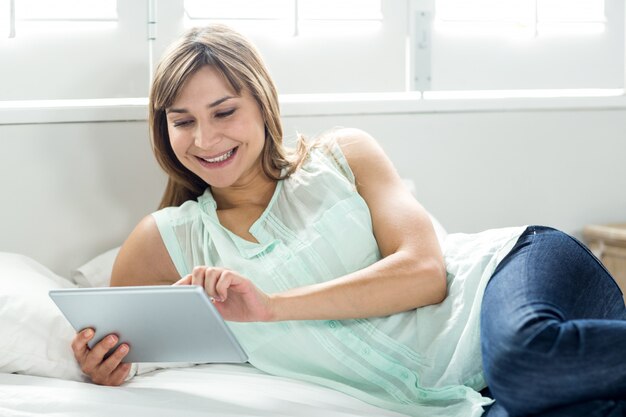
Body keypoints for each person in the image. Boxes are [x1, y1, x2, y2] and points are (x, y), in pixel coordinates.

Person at [71, 24, 626, 417]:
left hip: (509, 277)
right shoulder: (164, 240)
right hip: (469, 396)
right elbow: (123, 350)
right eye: (182, 121)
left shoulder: (342, 156)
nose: (205, 139)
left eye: (224, 112)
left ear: (262, 105)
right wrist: (105, 367)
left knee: (528, 362)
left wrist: (271, 308)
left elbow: (426, 273)